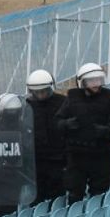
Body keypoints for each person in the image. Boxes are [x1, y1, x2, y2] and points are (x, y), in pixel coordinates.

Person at [56, 63, 110, 203]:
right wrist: (66, 124)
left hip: (101, 154)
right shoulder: (72, 97)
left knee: (99, 194)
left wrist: (105, 131)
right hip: (76, 155)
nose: (96, 84)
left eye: (98, 80)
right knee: (74, 193)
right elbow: (58, 122)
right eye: (91, 81)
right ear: (82, 82)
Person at [25, 69, 67, 204]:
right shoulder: (26, 107)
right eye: (36, 92)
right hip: (36, 163)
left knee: (58, 199)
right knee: (37, 200)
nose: (40, 94)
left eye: (44, 91)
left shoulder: (63, 103)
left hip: (59, 160)